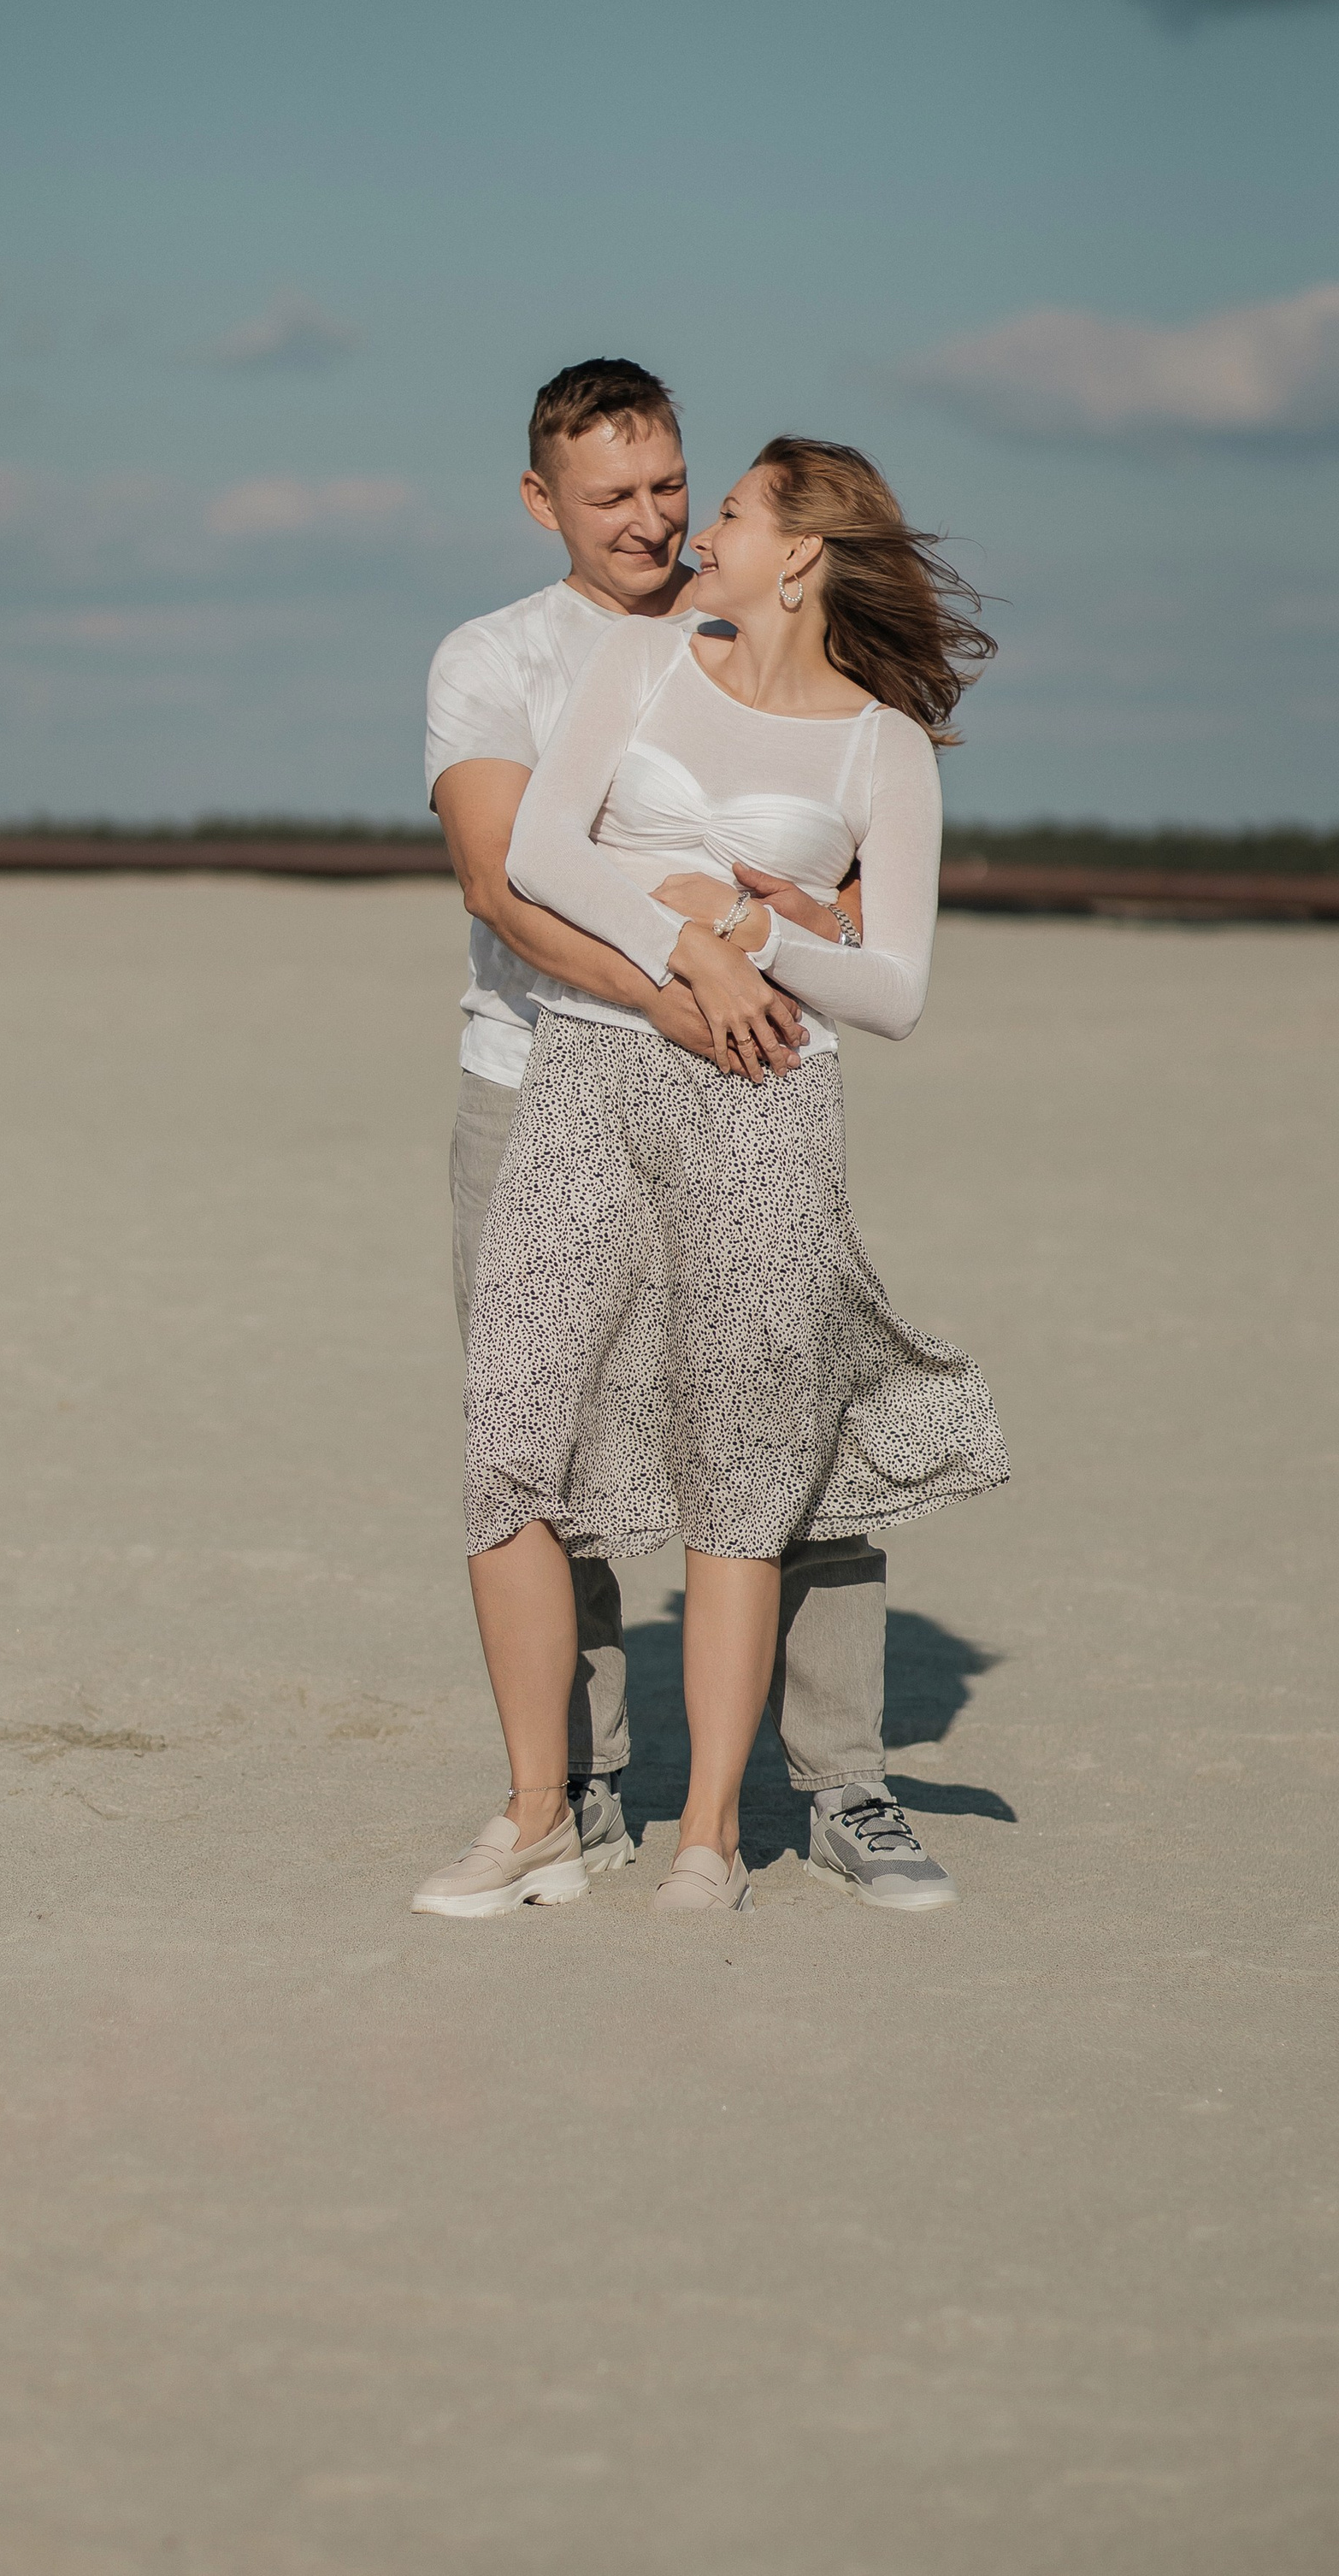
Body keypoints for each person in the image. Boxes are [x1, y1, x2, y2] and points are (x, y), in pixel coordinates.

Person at [420, 368, 973, 1916]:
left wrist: (764, 937)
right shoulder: (507, 659)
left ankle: (839, 1783)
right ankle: (574, 1788)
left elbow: (871, 927)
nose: (659, 520)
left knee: (787, 1441)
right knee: (533, 1447)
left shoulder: (789, 680)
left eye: (680, 487)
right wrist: (683, 979)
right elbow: (504, 876)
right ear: (544, 504)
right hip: (538, 1075)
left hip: (754, 1087)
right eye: (620, 497)